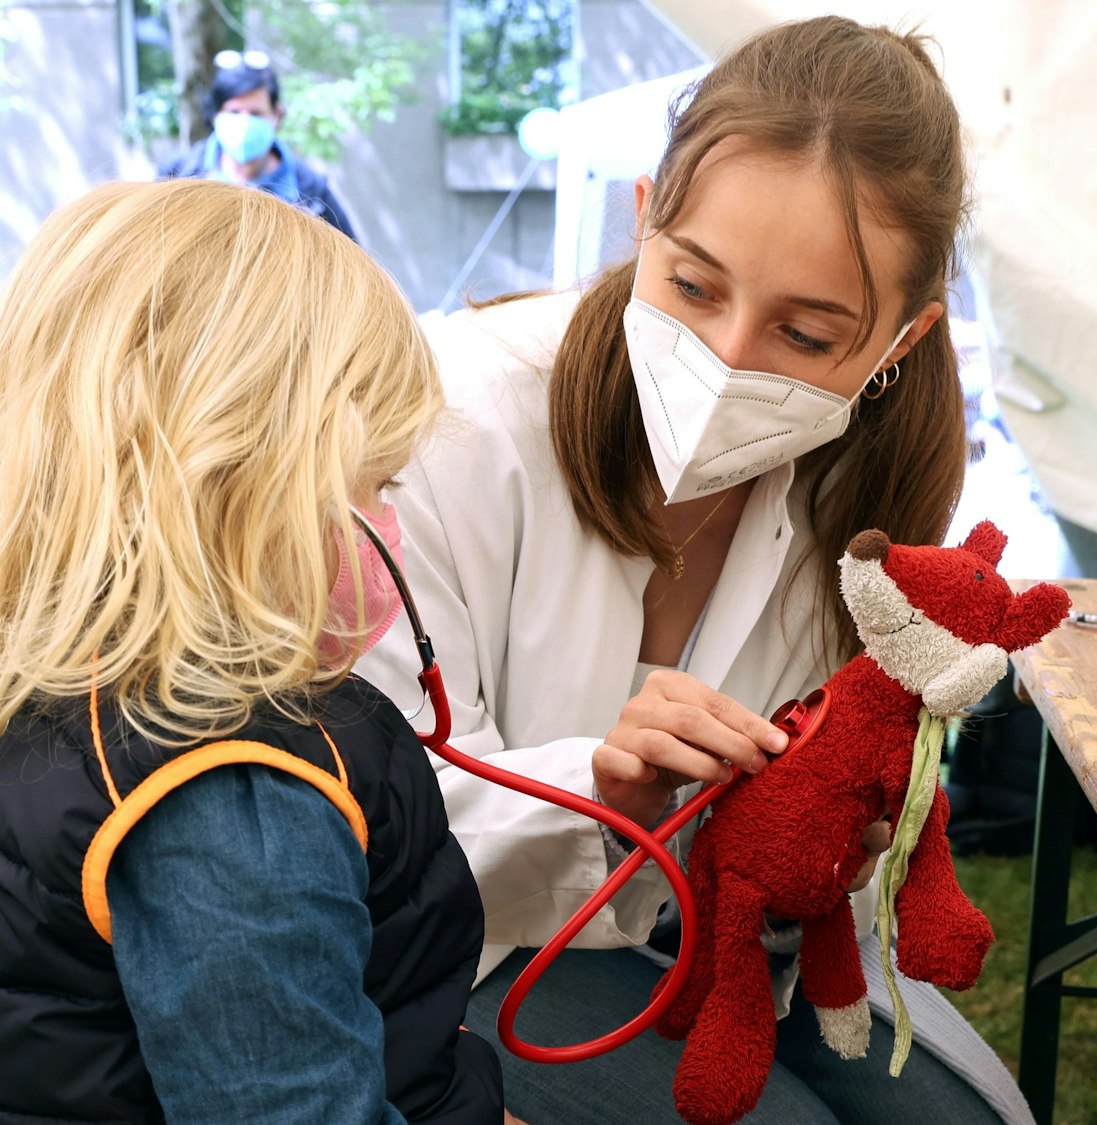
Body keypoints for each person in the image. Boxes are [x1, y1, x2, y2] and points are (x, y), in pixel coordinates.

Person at [357, 17, 1032, 1125]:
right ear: (641, 219)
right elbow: (367, 821)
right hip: (464, 942)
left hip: (727, 937)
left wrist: (833, 838)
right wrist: (601, 792)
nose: (724, 362)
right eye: (692, 285)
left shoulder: (861, 499)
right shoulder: (444, 426)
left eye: (806, 337)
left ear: (899, 345)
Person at [0, 179, 506, 1124]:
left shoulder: (71, 694)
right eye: (375, 486)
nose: (387, 530)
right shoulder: (228, 798)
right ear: (234, 480)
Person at [158, 51, 358, 240]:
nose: (244, 123)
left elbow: (352, 263)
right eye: (234, 112)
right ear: (215, 116)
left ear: (277, 115)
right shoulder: (177, 174)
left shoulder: (313, 193)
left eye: (255, 113)